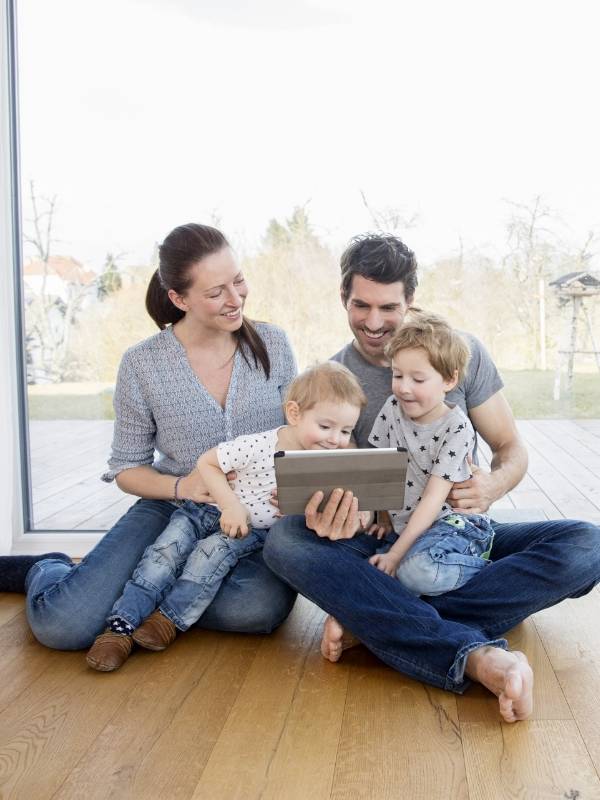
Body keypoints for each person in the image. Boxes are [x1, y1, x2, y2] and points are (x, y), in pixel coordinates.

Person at [263, 232, 600, 723]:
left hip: (463, 535)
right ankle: (464, 648)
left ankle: (373, 618)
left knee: (587, 544)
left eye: (388, 307)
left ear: (410, 301)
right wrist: (332, 514)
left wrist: (494, 485)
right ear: (343, 298)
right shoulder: (336, 378)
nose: (373, 323)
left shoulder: (458, 354)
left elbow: (512, 450)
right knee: (285, 541)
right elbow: (347, 484)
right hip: (386, 535)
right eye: (361, 306)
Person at [1, 222, 299, 650]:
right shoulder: (143, 365)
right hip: (170, 503)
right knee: (62, 626)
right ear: (179, 298)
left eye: (238, 281)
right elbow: (127, 469)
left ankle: (146, 588)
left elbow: (302, 433)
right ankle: (47, 567)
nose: (235, 300)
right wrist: (185, 486)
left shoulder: (273, 343)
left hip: (251, 517)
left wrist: (294, 491)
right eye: (216, 292)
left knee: (253, 610)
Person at [85, 361, 366, 671]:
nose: (335, 439)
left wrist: (300, 510)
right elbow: (208, 463)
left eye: (345, 431)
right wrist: (230, 505)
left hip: (248, 532)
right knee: (163, 554)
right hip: (203, 511)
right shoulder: (259, 444)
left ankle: (168, 620)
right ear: (295, 414)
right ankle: (120, 626)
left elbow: (327, 510)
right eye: (326, 427)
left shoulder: (326, 462)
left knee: (208, 557)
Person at [366, 310, 494, 595]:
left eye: (418, 380)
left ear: (449, 380)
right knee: (390, 573)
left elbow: (433, 501)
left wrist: (395, 556)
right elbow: (381, 466)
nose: (404, 388)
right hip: (408, 530)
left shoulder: (457, 428)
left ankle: (484, 565)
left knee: (416, 571)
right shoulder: (391, 408)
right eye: (397, 375)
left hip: (452, 526)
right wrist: (383, 517)